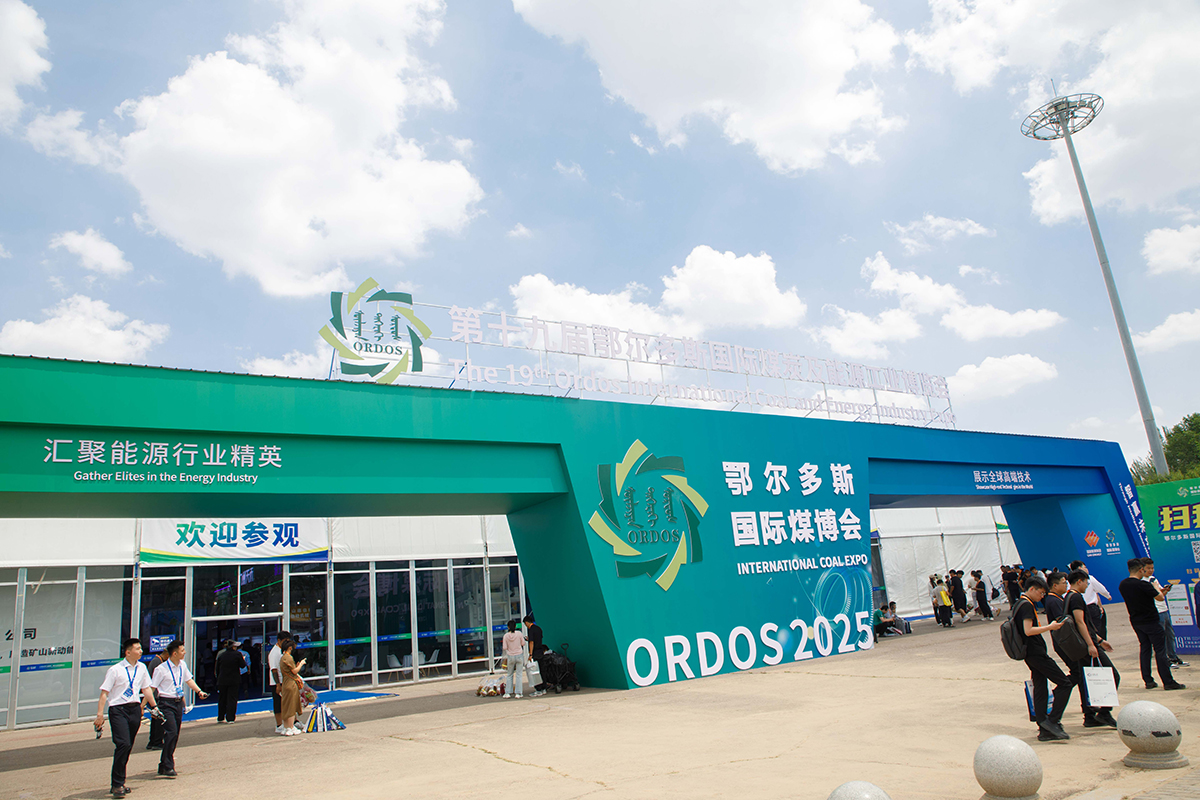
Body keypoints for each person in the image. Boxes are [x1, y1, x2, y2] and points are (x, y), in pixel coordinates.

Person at [94, 637, 165, 798]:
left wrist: (154, 707)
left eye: (140, 648)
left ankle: (119, 781)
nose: (141, 651)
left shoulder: (141, 668)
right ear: (128, 652)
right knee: (123, 744)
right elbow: (104, 693)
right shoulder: (115, 670)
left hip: (134, 709)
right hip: (118, 710)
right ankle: (117, 784)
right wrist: (99, 715)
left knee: (128, 746)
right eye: (137, 649)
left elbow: (146, 689)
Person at [1013, 575, 1073, 741]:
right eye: (1040, 593)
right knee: (1065, 683)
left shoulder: (1019, 603)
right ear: (1032, 589)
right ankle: (1052, 721)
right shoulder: (1026, 605)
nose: (1042, 596)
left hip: (1030, 653)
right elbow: (1028, 630)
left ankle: (1044, 727)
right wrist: (1050, 627)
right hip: (1035, 653)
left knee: (1040, 687)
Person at [1119, 558, 1184, 690]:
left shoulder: (1123, 585)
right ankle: (1168, 681)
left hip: (1136, 621)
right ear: (1141, 570)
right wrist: (1155, 587)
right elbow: (1160, 597)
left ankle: (1148, 680)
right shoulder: (1144, 584)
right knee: (1160, 651)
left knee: (1145, 649)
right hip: (1151, 621)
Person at [1065, 570, 1118, 728]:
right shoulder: (1076, 598)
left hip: (1084, 644)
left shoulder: (1068, 597)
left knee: (1086, 681)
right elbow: (1080, 622)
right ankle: (1104, 712)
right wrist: (1091, 644)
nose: (1087, 586)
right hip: (1086, 645)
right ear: (1079, 581)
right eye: (1086, 583)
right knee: (1113, 675)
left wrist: (1100, 640)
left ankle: (1089, 715)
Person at [150, 639, 208, 777]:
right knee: (171, 732)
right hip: (165, 703)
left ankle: (163, 764)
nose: (185, 652)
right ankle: (168, 766)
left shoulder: (182, 665)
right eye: (182, 650)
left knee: (175, 735)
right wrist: (146, 705)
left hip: (177, 703)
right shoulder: (161, 669)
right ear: (174, 653)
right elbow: (151, 688)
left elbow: (189, 680)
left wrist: (199, 691)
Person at [1143, 559, 1189, 667]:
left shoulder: (1153, 579)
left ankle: (1173, 657)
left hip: (1164, 610)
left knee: (1170, 635)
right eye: (1148, 568)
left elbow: (1160, 594)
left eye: (1152, 568)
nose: (1151, 570)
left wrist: (1165, 590)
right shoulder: (1142, 582)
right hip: (1156, 612)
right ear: (1142, 568)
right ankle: (1165, 660)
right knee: (1161, 638)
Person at [1070, 560, 1111, 641]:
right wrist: (1108, 596)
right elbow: (1101, 589)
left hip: (1078, 609)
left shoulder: (1070, 581)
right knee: (1097, 629)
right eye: (1085, 567)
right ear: (1080, 568)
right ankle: (1099, 644)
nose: (1087, 569)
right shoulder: (1090, 578)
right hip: (1091, 608)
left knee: (1085, 629)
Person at [278, 638, 307, 735]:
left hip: (285, 683)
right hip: (291, 684)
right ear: (290, 648)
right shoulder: (289, 658)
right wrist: (301, 664)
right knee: (291, 706)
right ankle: (291, 727)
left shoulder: (282, 658)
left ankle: (286, 727)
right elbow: (294, 671)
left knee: (286, 706)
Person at [267, 630, 292, 734]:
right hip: (277, 682)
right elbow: (273, 669)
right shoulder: (274, 653)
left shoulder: (283, 651)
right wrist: (278, 684)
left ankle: (292, 722)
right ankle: (279, 725)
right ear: (279, 641)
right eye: (285, 641)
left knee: (287, 703)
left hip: (285, 680)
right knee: (278, 704)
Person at [215, 639, 244, 722]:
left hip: (222, 679)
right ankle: (230, 718)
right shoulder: (237, 654)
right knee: (232, 698)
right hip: (233, 679)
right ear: (233, 647)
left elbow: (217, 668)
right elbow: (242, 665)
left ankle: (221, 716)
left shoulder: (221, 655)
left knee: (222, 698)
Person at [144, 648, 167, 751]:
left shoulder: (157, 661)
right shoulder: (158, 662)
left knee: (155, 719)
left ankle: (152, 741)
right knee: (159, 720)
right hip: (155, 696)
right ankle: (156, 741)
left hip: (154, 695)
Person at [522, 614, 547, 697]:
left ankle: (538, 689)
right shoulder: (538, 628)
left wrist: (530, 654)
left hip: (535, 652)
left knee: (535, 671)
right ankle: (544, 688)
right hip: (540, 651)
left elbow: (532, 642)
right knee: (542, 670)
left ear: (526, 622)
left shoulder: (531, 630)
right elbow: (538, 639)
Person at [502, 619, 527, 698]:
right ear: (515, 626)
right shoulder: (519, 633)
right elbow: (523, 643)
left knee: (509, 674)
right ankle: (518, 693)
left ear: (508, 627)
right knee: (519, 675)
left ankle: (508, 692)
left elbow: (504, 647)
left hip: (510, 656)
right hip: (519, 655)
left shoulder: (506, 636)